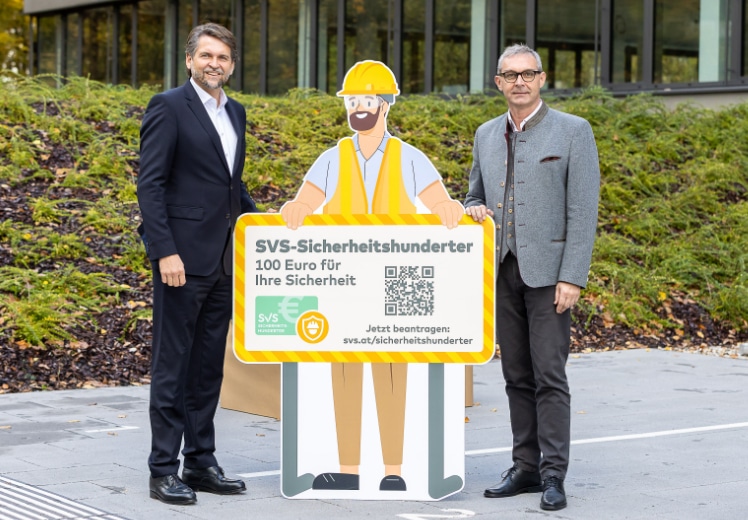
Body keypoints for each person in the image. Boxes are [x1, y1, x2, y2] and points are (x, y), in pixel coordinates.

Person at [281, 60, 463, 492]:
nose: (358, 108)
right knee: (344, 373)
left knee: (391, 374)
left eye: (366, 101)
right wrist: (296, 209)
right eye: (353, 102)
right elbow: (305, 200)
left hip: (394, 282)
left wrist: (447, 209)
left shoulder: (409, 157)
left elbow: (438, 200)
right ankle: (348, 470)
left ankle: (393, 471)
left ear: (385, 105)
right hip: (344, 284)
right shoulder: (332, 158)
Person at [464, 44, 600, 511]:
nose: (519, 82)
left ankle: (553, 474)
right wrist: (472, 208)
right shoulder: (485, 134)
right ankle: (525, 467)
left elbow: (583, 210)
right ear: (498, 82)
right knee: (516, 375)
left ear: (541, 79)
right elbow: (474, 194)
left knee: (549, 375)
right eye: (510, 75)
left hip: (550, 276)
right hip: (502, 272)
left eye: (527, 74)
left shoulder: (573, 131)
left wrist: (573, 276)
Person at [137, 22, 258, 505]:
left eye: (223, 57)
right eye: (206, 55)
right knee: (173, 365)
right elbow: (150, 184)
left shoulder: (236, 112)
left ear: (231, 65)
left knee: (208, 368)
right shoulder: (168, 106)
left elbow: (232, 186)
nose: (214, 64)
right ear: (189, 60)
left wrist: (264, 228)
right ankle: (162, 470)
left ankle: (201, 462)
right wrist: (164, 250)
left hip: (224, 261)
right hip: (180, 261)